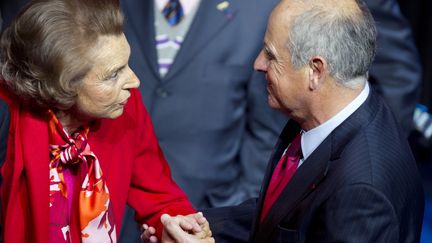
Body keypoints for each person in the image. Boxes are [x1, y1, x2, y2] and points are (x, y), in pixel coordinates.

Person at [157, 0, 425, 242]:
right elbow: (284, 213)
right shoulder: (334, 114)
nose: (258, 64)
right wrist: (201, 225)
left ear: (315, 71)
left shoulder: (362, 194)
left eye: (271, 55)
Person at [0, 0, 212, 242]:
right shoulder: (7, 117)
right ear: (62, 85)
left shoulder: (125, 106)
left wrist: (179, 227)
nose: (134, 81)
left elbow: (158, 195)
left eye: (127, 64)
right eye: (113, 74)